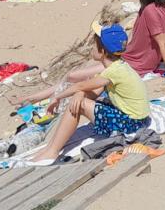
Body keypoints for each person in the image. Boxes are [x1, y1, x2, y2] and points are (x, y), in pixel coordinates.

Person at [15, 0, 165, 108]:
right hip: (131, 57)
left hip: (134, 63)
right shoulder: (160, 8)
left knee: (74, 77)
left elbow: (163, 43)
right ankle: (35, 98)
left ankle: (37, 99)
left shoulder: (150, 11)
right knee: (77, 76)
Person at [35, 23, 150, 160]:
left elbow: (80, 86)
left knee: (79, 104)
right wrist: (80, 94)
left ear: (102, 52)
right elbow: (91, 90)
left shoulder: (113, 72)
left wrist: (57, 97)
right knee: (80, 99)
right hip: (137, 119)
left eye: (94, 45)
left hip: (131, 124)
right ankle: (50, 148)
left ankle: (52, 151)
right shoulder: (118, 66)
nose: (91, 48)